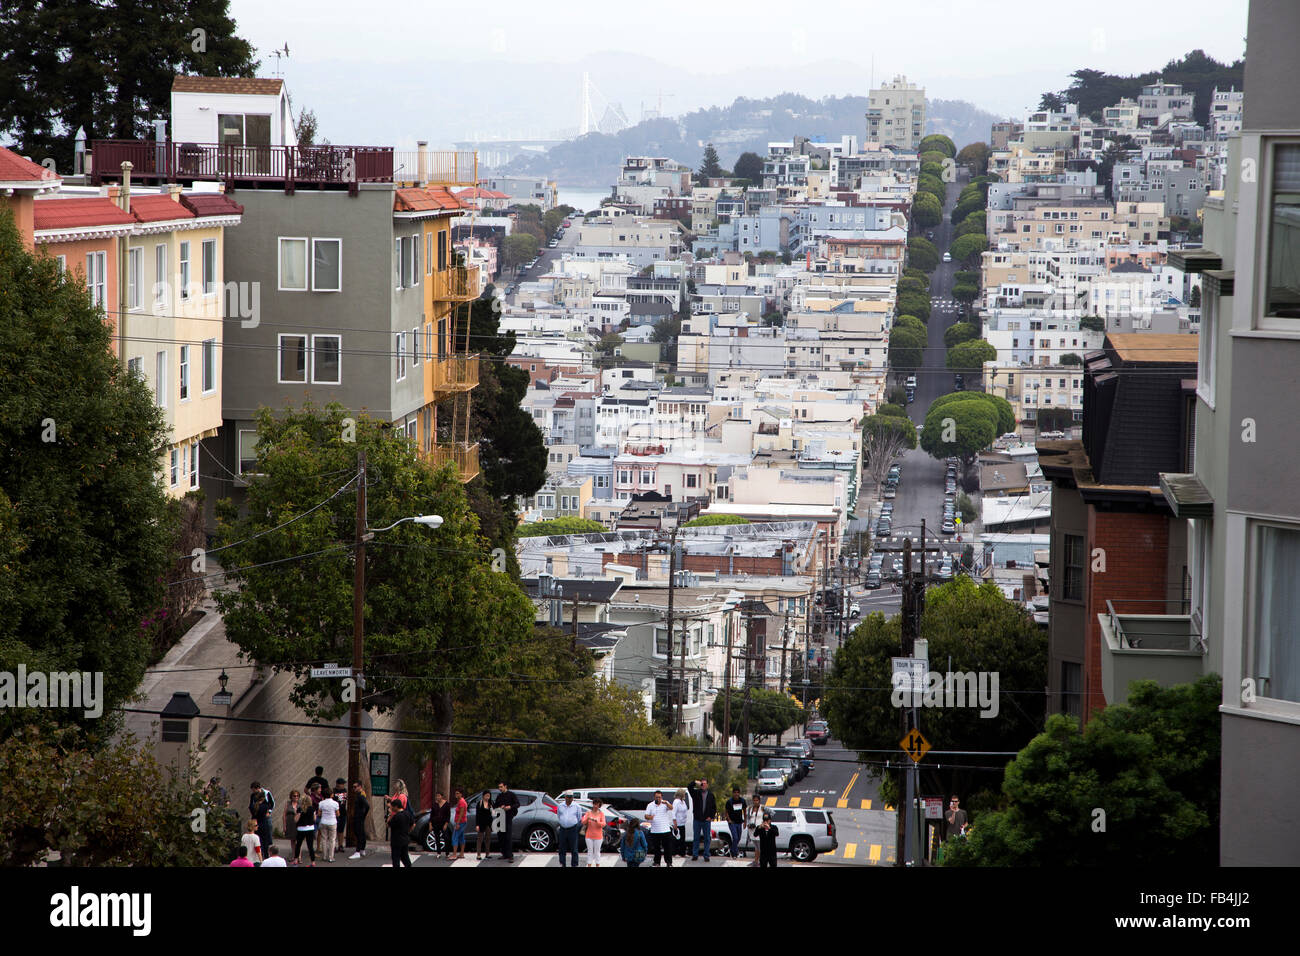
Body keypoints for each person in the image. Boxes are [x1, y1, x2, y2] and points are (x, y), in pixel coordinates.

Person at [688, 778, 717, 861]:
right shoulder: (696, 793)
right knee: (696, 837)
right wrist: (695, 782)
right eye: (702, 783)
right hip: (697, 819)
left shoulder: (711, 795)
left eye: (705, 783)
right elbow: (689, 787)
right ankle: (695, 854)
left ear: (707, 785)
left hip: (706, 820)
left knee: (707, 838)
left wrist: (711, 817)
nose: (703, 785)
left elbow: (714, 808)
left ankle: (706, 855)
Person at [643, 790, 674, 866]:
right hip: (655, 830)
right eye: (657, 797)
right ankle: (657, 862)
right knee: (656, 848)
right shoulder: (650, 805)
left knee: (667, 848)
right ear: (654, 797)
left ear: (661, 797)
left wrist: (666, 803)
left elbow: (671, 808)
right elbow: (646, 816)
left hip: (665, 829)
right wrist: (651, 817)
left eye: (659, 797)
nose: (658, 799)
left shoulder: (665, 804)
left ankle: (669, 862)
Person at [493, 782, 520, 862]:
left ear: (505, 786)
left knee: (508, 837)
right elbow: (495, 806)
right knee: (501, 837)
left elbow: (517, 804)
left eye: (501, 787)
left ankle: (510, 855)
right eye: (499, 787)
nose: (500, 788)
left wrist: (510, 807)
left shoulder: (511, 795)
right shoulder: (499, 796)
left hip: (508, 817)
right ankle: (504, 854)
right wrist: (499, 807)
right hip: (500, 817)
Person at [249, 782, 274, 861]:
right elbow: (268, 805)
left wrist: (269, 812)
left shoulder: (266, 793)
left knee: (258, 839)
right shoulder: (263, 805)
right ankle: (265, 856)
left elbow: (272, 803)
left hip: (257, 821)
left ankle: (258, 856)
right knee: (264, 840)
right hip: (263, 822)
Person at [555, 793, 582, 867]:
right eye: (568, 797)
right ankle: (562, 863)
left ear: (573, 798)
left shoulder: (577, 806)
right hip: (563, 829)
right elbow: (559, 815)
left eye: (571, 797)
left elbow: (579, 817)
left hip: (573, 828)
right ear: (565, 797)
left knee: (574, 848)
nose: (569, 799)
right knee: (562, 848)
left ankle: (574, 864)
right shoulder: (560, 806)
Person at [388, 796, 414, 868]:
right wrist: (408, 831)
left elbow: (388, 824)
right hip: (405, 839)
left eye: (392, 807)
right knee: (405, 857)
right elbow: (413, 824)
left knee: (395, 859)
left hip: (396, 840)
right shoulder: (407, 814)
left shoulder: (397, 816)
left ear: (396, 807)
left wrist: (390, 814)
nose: (391, 809)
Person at [580, 797, 606, 868]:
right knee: (589, 851)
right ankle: (589, 865)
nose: (595, 806)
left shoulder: (601, 814)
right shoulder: (588, 813)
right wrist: (587, 819)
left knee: (597, 852)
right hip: (589, 835)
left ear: (599, 805)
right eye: (594, 804)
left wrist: (597, 822)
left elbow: (603, 824)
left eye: (597, 805)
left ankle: (597, 865)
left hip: (598, 836)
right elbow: (583, 822)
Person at [348, 782, 371, 860]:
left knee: (359, 834)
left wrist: (363, 815)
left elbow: (367, 806)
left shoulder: (361, 796)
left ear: (360, 787)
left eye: (355, 787)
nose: (354, 788)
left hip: (359, 817)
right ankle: (362, 849)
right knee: (361, 833)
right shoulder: (360, 795)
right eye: (353, 787)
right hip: (359, 816)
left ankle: (358, 851)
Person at [317, 787, 340, 862]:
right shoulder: (335, 803)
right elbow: (338, 814)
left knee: (324, 839)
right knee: (332, 840)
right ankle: (331, 857)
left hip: (323, 822)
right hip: (332, 822)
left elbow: (319, 814)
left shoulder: (321, 803)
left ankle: (324, 856)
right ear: (331, 795)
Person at [295, 794, 318, 866]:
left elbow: (296, 820)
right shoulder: (312, 809)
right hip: (310, 828)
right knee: (310, 846)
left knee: (298, 845)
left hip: (301, 829)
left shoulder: (300, 809)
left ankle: (296, 860)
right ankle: (313, 862)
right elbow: (314, 819)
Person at [723, 787, 746, 859]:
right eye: (735, 792)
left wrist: (745, 821)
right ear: (733, 793)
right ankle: (734, 853)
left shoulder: (742, 801)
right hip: (732, 823)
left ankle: (732, 849)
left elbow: (745, 811)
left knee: (738, 838)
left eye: (737, 792)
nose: (736, 794)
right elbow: (726, 812)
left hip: (739, 822)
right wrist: (729, 819)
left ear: (739, 793)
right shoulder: (729, 802)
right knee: (735, 837)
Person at [430, 792, 451, 858]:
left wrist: (446, 824)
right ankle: (438, 852)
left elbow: (448, 815)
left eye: (439, 796)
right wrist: (430, 824)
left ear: (442, 796)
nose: (437, 797)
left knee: (446, 838)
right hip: (436, 823)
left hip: (443, 823)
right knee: (437, 838)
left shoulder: (446, 804)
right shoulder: (434, 804)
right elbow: (431, 815)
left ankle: (447, 853)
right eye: (436, 796)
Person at [744, 793, 764, 863]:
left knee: (760, 846)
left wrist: (763, 824)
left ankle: (762, 860)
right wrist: (746, 824)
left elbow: (770, 815)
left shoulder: (762, 808)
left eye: (757, 800)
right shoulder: (749, 808)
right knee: (756, 846)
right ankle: (756, 860)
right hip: (752, 830)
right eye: (754, 800)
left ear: (759, 801)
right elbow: (746, 817)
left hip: (759, 829)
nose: (755, 802)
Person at [451, 788, 469, 861]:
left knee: (454, 837)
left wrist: (457, 824)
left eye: (458, 793)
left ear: (461, 794)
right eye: (456, 793)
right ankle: (461, 853)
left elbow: (461, 813)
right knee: (461, 837)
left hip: (461, 822)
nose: (456, 795)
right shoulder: (461, 801)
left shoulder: (462, 802)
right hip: (462, 821)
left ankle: (454, 854)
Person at [475, 790, 494, 860]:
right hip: (481, 823)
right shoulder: (479, 803)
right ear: (483, 796)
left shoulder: (491, 803)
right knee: (480, 839)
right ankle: (478, 855)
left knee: (488, 839)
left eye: (489, 796)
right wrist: (477, 825)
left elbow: (493, 813)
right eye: (486, 795)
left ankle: (487, 853)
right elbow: (477, 815)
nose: (487, 797)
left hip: (488, 823)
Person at [671, 787, 690, 857]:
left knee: (682, 838)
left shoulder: (683, 802)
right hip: (677, 823)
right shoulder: (676, 802)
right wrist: (675, 823)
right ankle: (675, 852)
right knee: (677, 838)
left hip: (682, 823)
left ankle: (682, 853)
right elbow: (673, 812)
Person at [283, 789, 301, 854]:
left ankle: (299, 856)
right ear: (291, 796)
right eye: (294, 796)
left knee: (299, 840)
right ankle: (294, 855)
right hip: (290, 823)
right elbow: (284, 815)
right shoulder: (288, 804)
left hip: (299, 824)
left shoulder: (300, 804)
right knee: (292, 840)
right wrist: (284, 825)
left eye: (297, 796)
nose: (296, 797)